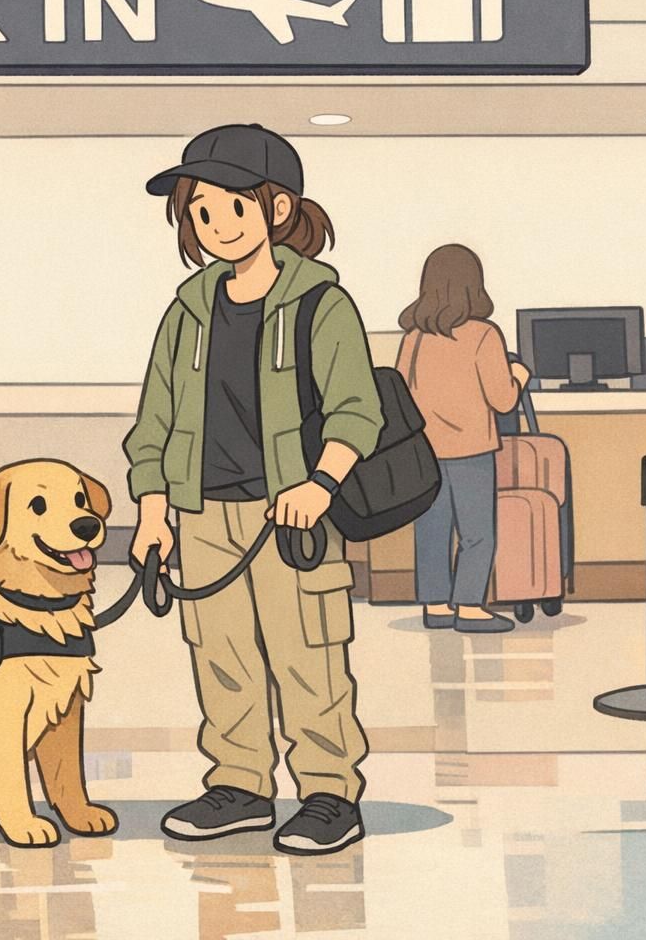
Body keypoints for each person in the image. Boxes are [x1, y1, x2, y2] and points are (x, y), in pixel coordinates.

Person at [125, 124, 382, 856]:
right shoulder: (188, 311)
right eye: (200, 213)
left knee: (308, 653)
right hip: (203, 514)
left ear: (276, 210)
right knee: (222, 655)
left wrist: (322, 482)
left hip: (288, 514)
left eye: (230, 208)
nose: (213, 227)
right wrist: (154, 512)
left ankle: (330, 793)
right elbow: (155, 419)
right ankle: (239, 785)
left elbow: (355, 409)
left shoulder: (320, 304)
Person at [394, 244, 531, 634]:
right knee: (476, 531)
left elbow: (402, 394)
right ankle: (470, 606)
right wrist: (519, 374)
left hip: (424, 453)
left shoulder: (414, 338)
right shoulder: (483, 335)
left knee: (432, 529)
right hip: (470, 450)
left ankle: (436, 606)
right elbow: (503, 398)